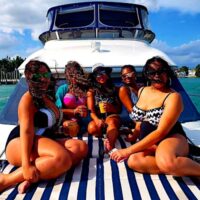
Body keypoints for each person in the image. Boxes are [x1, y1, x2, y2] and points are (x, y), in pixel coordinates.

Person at [0, 60, 88, 193]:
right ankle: (7, 180)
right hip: (20, 142)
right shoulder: (28, 98)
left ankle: (33, 177)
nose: (43, 79)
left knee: (80, 147)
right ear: (30, 78)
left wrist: (62, 128)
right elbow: (26, 131)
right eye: (37, 76)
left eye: (46, 75)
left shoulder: (47, 96)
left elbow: (49, 124)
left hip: (42, 139)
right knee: (63, 159)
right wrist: (25, 165)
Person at [110, 56, 200, 176]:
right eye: (152, 72)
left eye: (161, 71)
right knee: (134, 161)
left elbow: (161, 132)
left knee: (167, 163)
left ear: (167, 73)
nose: (157, 75)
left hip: (170, 137)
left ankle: (181, 165)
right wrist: (134, 136)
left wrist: (127, 150)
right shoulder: (143, 90)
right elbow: (140, 121)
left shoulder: (173, 97)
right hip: (152, 143)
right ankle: (182, 164)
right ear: (147, 75)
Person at [87, 63, 121, 152]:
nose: (100, 76)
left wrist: (111, 108)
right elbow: (91, 111)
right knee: (92, 128)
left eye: (103, 72)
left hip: (112, 116)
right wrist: (97, 120)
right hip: (99, 118)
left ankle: (111, 145)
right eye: (97, 74)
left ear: (107, 74)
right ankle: (107, 135)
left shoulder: (116, 89)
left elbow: (119, 110)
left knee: (111, 122)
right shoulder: (91, 92)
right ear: (94, 77)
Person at [55, 61, 89, 136]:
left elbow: (92, 109)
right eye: (71, 75)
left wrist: (86, 111)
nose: (74, 78)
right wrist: (74, 111)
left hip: (85, 123)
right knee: (71, 127)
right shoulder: (63, 89)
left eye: (76, 75)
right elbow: (56, 110)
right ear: (67, 76)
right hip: (67, 122)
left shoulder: (86, 89)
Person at [119, 65, 139, 141]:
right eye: (124, 76)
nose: (127, 77)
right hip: (136, 120)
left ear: (135, 74)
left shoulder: (141, 88)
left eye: (129, 74)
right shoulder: (124, 89)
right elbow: (131, 110)